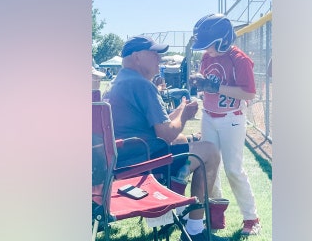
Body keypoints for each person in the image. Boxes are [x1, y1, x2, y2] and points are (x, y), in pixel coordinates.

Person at [104, 35, 230, 241]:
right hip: (143, 163)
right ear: (137, 56)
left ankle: (174, 207)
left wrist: (179, 111)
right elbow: (166, 134)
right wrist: (186, 114)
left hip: (122, 160)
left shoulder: (119, 82)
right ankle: (195, 230)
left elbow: (155, 127)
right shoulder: (141, 85)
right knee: (209, 152)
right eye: (154, 53)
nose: (159, 58)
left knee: (183, 141)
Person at [189, 14, 262, 236]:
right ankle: (215, 213)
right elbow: (207, 80)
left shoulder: (239, 59)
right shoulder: (207, 57)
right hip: (209, 115)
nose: (206, 50)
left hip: (232, 118)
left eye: (208, 44)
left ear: (222, 39)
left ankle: (251, 217)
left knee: (233, 169)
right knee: (209, 166)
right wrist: (198, 79)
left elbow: (249, 92)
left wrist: (215, 88)